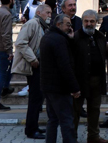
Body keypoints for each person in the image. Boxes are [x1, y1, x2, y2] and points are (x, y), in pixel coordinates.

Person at [12, 4, 51, 139]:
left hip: (40, 65)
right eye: (47, 12)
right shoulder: (32, 24)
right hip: (34, 66)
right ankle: (31, 129)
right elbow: (21, 43)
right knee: (35, 98)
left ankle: (34, 127)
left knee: (38, 98)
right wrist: (33, 59)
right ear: (39, 12)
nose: (49, 15)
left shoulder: (42, 26)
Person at [40, 14, 81, 142]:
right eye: (68, 24)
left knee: (53, 119)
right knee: (67, 120)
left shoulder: (48, 36)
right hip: (59, 88)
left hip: (48, 86)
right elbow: (65, 66)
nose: (70, 27)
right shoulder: (59, 40)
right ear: (59, 25)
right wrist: (74, 88)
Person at [72, 10, 108, 143]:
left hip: (96, 80)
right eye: (86, 21)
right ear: (82, 22)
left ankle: (93, 136)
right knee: (74, 111)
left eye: (92, 21)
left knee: (94, 110)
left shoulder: (100, 37)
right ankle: (72, 137)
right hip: (79, 81)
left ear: (96, 22)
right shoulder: (74, 37)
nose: (89, 24)